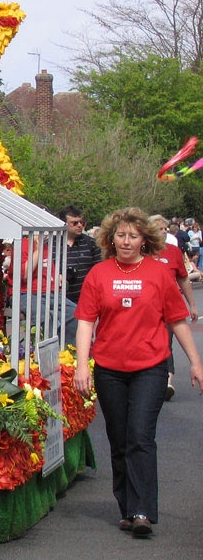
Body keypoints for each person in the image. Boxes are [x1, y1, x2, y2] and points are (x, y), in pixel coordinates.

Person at [73, 207, 203, 538]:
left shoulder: (158, 274)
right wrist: (81, 366)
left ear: (144, 239)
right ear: (111, 238)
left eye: (133, 236)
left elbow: (177, 320)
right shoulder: (99, 274)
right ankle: (128, 509)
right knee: (119, 439)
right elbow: (86, 321)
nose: (127, 241)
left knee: (140, 436)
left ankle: (143, 510)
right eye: (121, 235)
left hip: (150, 368)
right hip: (110, 370)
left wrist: (195, 362)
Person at [148, 214, 198, 402]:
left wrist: (192, 305)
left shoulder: (173, 252)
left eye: (165, 229)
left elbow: (183, 279)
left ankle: (167, 382)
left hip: (168, 307)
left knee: (165, 341)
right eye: (159, 229)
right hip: (145, 307)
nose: (164, 232)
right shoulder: (141, 251)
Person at [58, 205, 101, 304]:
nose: (79, 225)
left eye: (82, 222)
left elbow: (100, 271)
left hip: (86, 300)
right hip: (58, 300)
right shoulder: (51, 244)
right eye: (75, 223)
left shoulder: (92, 244)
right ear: (64, 224)